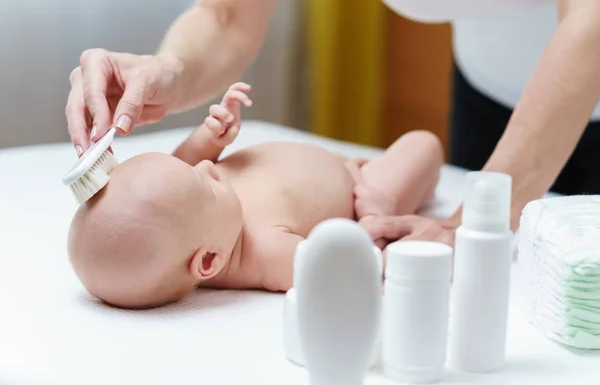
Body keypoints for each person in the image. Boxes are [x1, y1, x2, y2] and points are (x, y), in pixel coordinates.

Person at [65, 0, 600, 248]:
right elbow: (228, 14)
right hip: (489, 92)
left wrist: (472, 226)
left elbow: (590, 25)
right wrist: (168, 68)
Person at [67, 82, 442, 309]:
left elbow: (187, 163)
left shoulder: (184, 210)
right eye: (207, 184)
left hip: (332, 162)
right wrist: (373, 220)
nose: (206, 167)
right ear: (209, 260)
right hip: (361, 185)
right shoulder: (266, 253)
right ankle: (388, 205)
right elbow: (344, 266)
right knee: (423, 145)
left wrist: (210, 136)